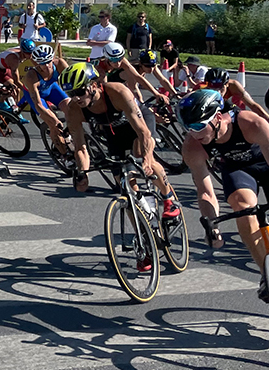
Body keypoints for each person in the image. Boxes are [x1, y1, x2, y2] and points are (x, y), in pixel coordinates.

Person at [59, 63, 181, 229]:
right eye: (71, 94)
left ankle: (169, 200)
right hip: (114, 132)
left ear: (93, 85)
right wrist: (82, 173)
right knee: (124, 185)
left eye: (79, 92)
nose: (76, 98)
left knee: (141, 155)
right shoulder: (74, 109)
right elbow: (81, 147)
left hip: (137, 124)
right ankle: (144, 235)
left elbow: (143, 133)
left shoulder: (117, 92)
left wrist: (146, 160)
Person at [178, 88, 269, 300]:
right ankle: (265, 272)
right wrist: (213, 225)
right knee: (242, 207)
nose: (194, 133)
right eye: (188, 128)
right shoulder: (192, 147)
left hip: (265, 161)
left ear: (217, 117)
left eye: (199, 126)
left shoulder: (251, 123)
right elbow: (205, 191)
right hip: (238, 170)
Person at [203, 68, 269, 121]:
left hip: (225, 105)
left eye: (220, 88)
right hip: (209, 106)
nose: (217, 91)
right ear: (206, 85)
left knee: (236, 112)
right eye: (212, 88)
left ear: (227, 84)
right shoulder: (201, 89)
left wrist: (267, 119)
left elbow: (252, 105)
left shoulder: (234, 86)